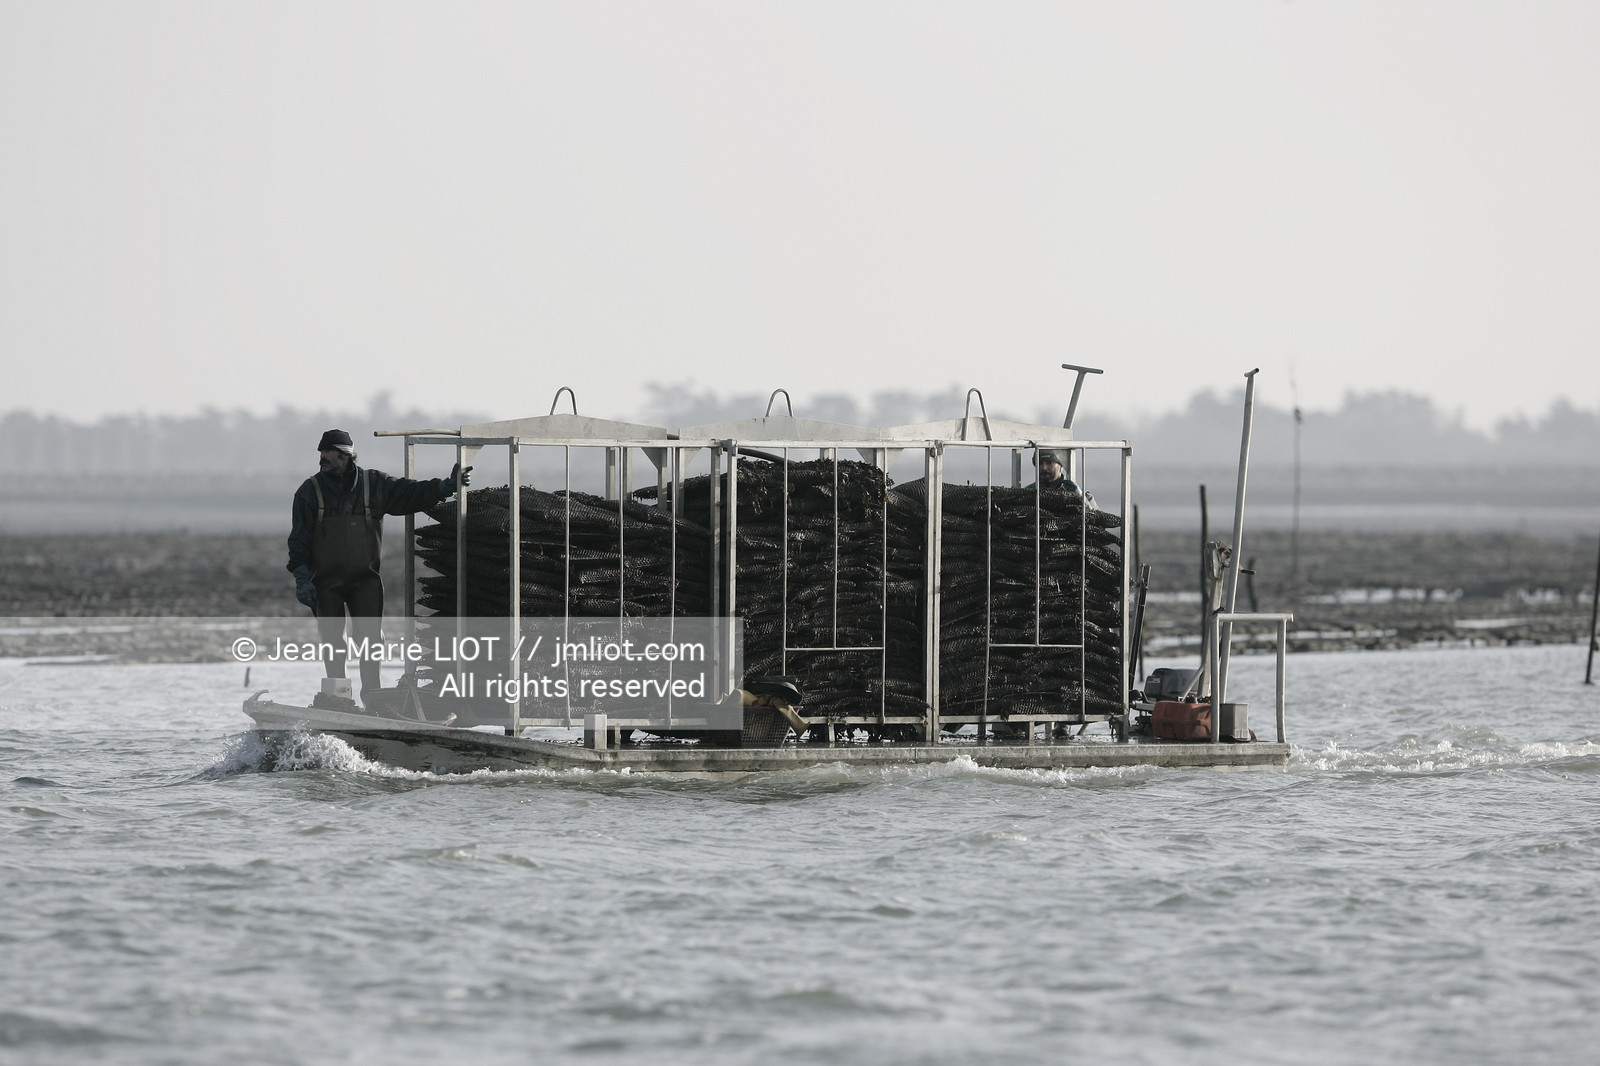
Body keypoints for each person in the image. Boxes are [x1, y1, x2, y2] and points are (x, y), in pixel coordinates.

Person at [286, 429, 472, 702]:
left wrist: (445, 486)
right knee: (332, 641)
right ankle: (338, 698)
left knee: (371, 641)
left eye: (328, 452)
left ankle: (372, 696)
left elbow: (411, 493)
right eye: (321, 452)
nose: (322, 457)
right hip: (325, 582)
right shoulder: (309, 491)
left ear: (345, 455)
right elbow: (298, 541)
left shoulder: (374, 484)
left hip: (366, 581)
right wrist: (302, 579)